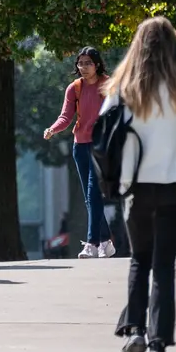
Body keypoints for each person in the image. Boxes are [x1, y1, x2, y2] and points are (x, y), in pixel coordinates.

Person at [107, 16, 176, 352]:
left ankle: (135, 331)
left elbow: (105, 132)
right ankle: (158, 344)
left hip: (136, 185)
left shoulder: (123, 85)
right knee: (164, 264)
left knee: (140, 259)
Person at [44, 47, 115, 258]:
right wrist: (53, 129)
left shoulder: (108, 85)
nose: (83, 67)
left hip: (101, 145)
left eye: (88, 63)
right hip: (80, 146)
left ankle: (92, 243)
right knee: (89, 196)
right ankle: (106, 242)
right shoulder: (74, 88)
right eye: (80, 63)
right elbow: (65, 117)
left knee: (93, 192)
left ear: (97, 64)